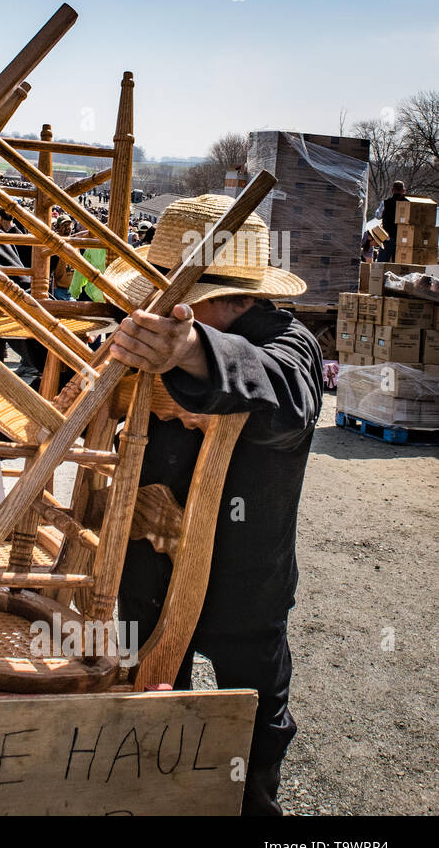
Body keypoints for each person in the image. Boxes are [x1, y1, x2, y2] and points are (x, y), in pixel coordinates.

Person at [91, 193, 322, 816]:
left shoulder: (287, 341)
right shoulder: (152, 325)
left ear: (224, 298)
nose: (154, 306)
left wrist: (191, 350)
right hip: (146, 573)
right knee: (147, 719)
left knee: (255, 734)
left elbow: (288, 402)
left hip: (246, 586)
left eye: (171, 295)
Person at [379, 180, 407, 263]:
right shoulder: (408, 203)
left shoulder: (385, 203)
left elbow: (377, 215)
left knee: (382, 263)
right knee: (398, 265)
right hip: (402, 238)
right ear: (403, 191)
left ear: (392, 190)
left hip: (387, 237)